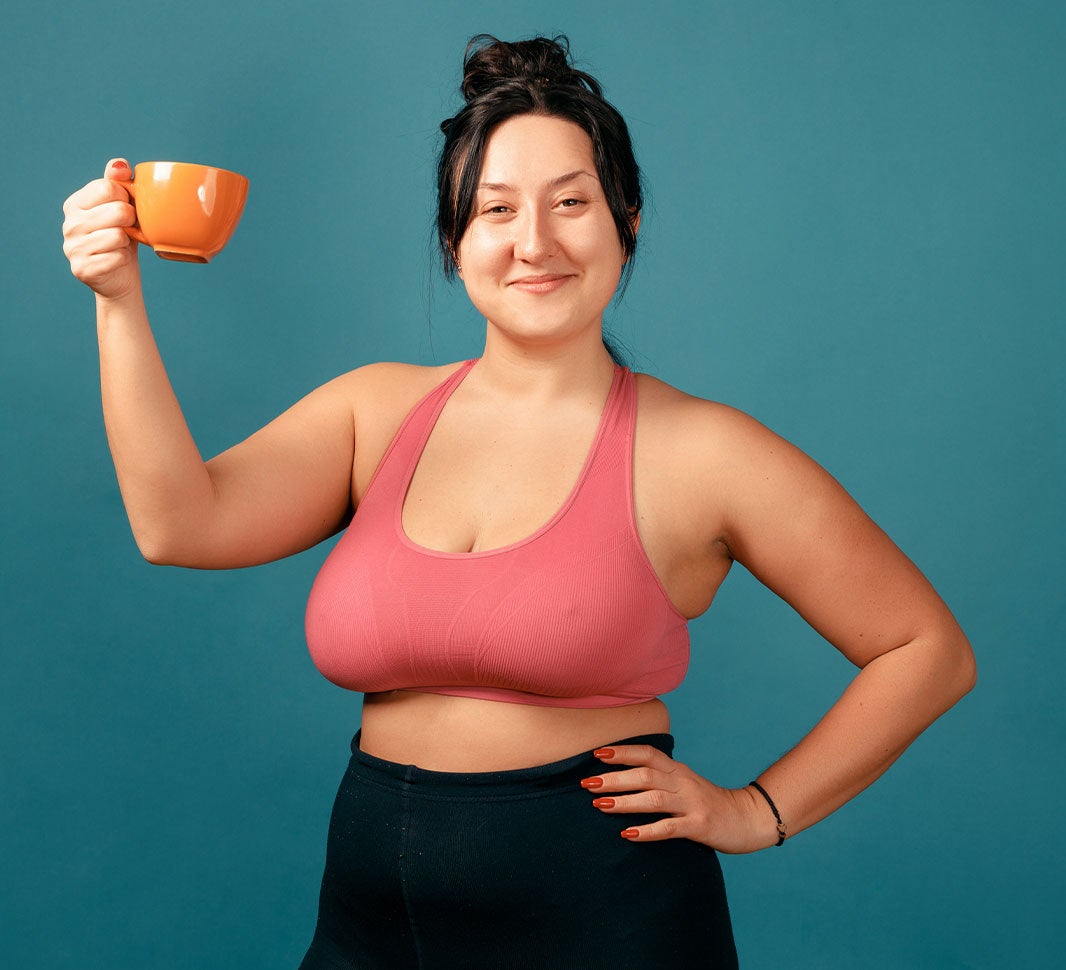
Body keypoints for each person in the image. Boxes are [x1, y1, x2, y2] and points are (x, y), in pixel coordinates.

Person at [61, 34, 975, 969]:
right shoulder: (370, 411)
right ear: (455, 243)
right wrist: (118, 301)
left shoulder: (704, 451)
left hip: (606, 924)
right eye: (495, 210)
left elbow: (926, 651)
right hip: (371, 921)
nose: (533, 243)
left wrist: (757, 812)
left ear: (627, 218)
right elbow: (178, 524)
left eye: (571, 203)